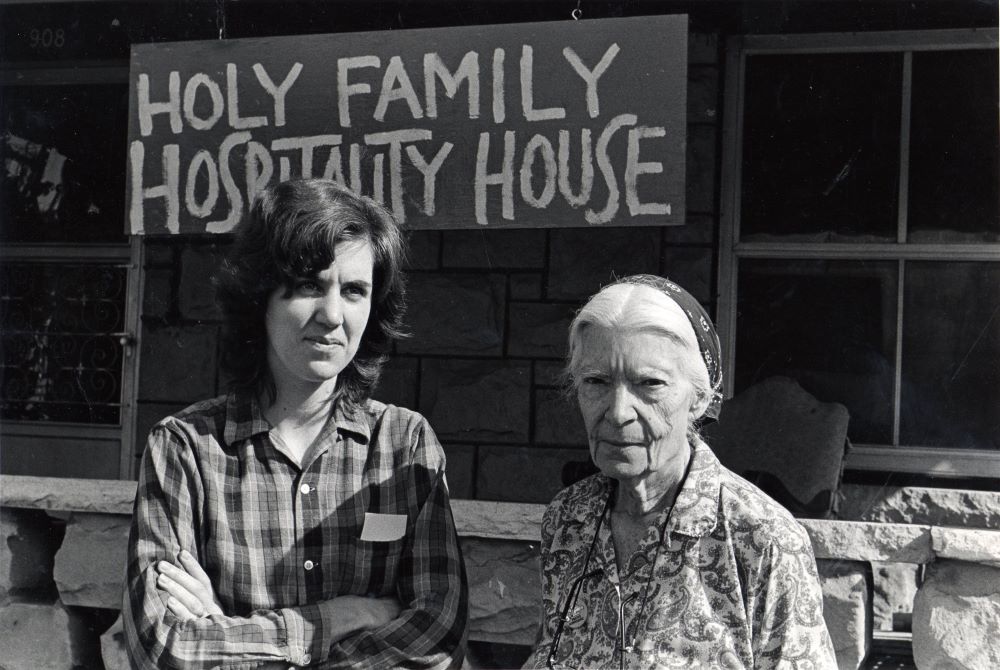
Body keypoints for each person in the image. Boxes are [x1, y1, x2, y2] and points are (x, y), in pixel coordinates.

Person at [123, 179, 468, 669]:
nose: (332, 314)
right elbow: (163, 647)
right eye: (309, 285)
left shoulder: (406, 447)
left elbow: (437, 635)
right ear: (259, 295)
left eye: (353, 291)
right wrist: (342, 614)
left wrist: (226, 629)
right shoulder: (184, 451)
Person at [524, 274, 836, 669]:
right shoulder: (569, 519)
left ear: (699, 399)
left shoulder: (761, 538)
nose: (618, 413)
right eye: (596, 381)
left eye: (649, 383)